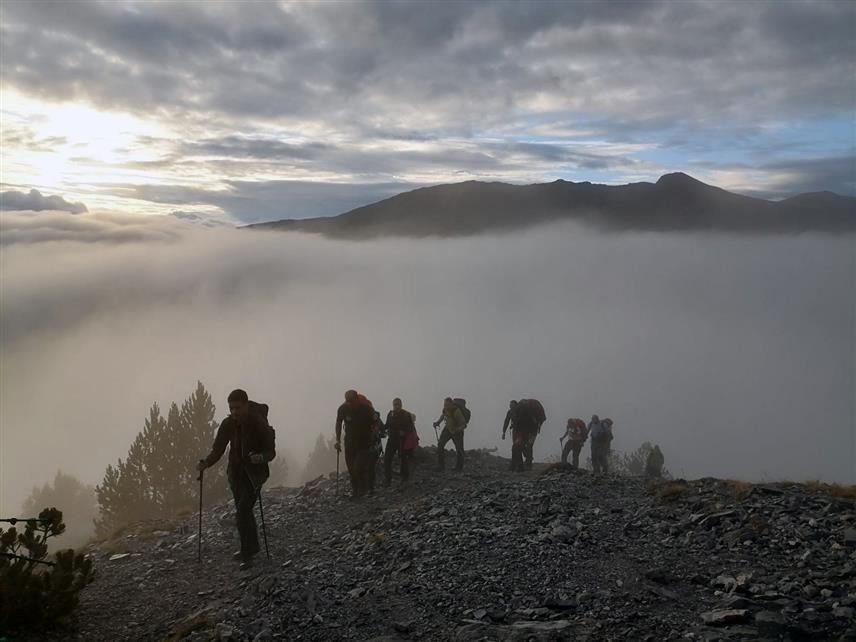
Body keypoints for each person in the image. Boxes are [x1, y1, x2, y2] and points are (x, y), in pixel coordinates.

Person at [197, 389, 275, 569]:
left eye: (238, 408)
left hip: (255, 474)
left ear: (246, 405)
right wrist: (206, 463)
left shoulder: (258, 423)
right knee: (244, 512)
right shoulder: (227, 424)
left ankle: (247, 554)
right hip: (236, 474)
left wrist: (260, 458)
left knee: (242, 512)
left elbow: (271, 451)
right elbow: (218, 450)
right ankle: (251, 547)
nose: (234, 412)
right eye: (231, 408)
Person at [334, 390, 376, 499]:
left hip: (364, 442)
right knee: (351, 468)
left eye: (351, 401)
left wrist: (374, 435)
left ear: (357, 399)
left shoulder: (366, 409)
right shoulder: (343, 409)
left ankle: (364, 489)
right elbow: (338, 423)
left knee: (358, 467)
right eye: (347, 401)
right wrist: (337, 440)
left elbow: (375, 422)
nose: (349, 403)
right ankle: (355, 491)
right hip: (349, 442)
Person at [384, 398, 416, 486]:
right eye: (395, 404)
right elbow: (387, 425)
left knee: (403, 458)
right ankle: (388, 479)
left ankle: (405, 477)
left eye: (398, 404)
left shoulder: (406, 414)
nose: (396, 406)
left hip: (402, 440)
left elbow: (410, 427)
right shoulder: (390, 414)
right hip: (391, 439)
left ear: (401, 405)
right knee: (387, 458)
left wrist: (404, 432)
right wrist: (381, 429)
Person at [433, 397, 467, 471]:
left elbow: (464, 424)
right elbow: (443, 415)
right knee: (440, 445)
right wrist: (438, 422)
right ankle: (441, 466)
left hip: (457, 432)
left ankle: (459, 467)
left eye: (447, 405)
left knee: (459, 449)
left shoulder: (457, 412)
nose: (446, 407)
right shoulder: (445, 409)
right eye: (445, 405)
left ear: (451, 404)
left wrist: (457, 429)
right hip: (448, 429)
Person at [516, 399, 546, 471]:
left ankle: (528, 462)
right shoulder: (525, 410)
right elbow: (543, 418)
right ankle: (528, 461)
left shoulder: (526, 409)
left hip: (530, 429)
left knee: (527, 445)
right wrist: (539, 425)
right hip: (530, 429)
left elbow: (519, 422)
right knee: (528, 445)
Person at [501, 400, 520, 471]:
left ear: (515, 405)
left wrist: (504, 432)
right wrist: (503, 432)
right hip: (515, 431)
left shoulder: (519, 411)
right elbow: (506, 421)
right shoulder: (510, 412)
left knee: (516, 447)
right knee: (516, 447)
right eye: (510, 404)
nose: (510, 406)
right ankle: (516, 466)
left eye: (512, 404)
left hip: (520, 431)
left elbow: (507, 421)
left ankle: (516, 466)